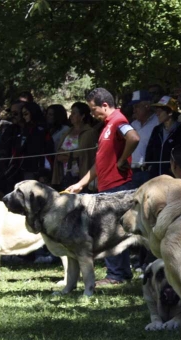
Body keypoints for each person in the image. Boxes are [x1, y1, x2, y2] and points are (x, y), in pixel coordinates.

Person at [65, 87, 140, 286]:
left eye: (92, 109)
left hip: (117, 187)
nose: (92, 114)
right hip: (106, 187)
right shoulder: (107, 125)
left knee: (109, 231)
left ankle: (116, 275)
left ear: (105, 105)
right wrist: (81, 184)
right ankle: (120, 273)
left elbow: (134, 137)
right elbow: (100, 162)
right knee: (111, 230)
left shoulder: (118, 121)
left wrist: (123, 159)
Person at [144, 96, 181, 179]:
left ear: (170, 112)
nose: (157, 114)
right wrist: (149, 165)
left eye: (160, 111)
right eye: (156, 111)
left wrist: (174, 170)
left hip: (174, 179)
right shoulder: (157, 130)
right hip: (155, 178)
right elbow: (149, 150)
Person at [51, 102, 96, 190]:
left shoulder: (90, 132)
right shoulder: (67, 132)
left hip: (80, 174)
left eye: (74, 113)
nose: (71, 116)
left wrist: (68, 155)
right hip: (64, 173)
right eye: (71, 113)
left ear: (82, 116)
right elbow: (59, 150)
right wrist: (62, 155)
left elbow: (84, 153)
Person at [130, 90, 159, 187]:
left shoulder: (158, 123)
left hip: (148, 174)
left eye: (136, 106)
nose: (134, 110)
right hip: (132, 172)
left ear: (147, 106)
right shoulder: (133, 124)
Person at [15, 102, 51, 180]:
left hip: (38, 170)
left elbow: (46, 151)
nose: (24, 117)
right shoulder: (25, 129)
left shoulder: (42, 130)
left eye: (26, 114)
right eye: (22, 114)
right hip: (25, 168)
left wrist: (43, 172)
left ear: (33, 113)